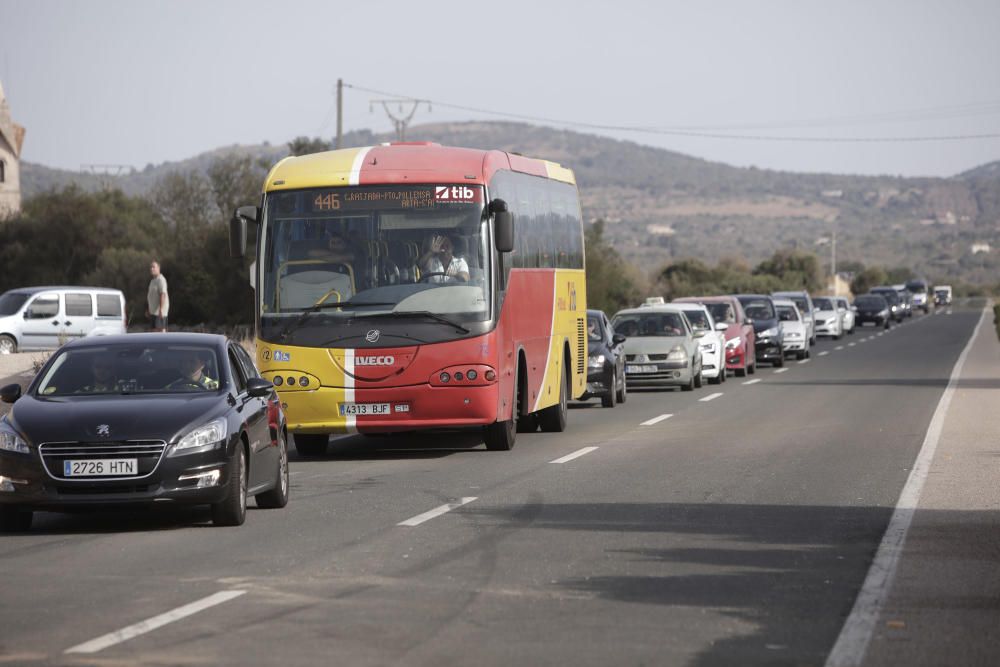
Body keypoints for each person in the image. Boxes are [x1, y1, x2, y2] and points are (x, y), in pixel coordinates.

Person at [146, 260, 169, 332]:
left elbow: (163, 294)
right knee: (153, 333)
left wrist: (161, 309)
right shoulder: (153, 281)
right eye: (151, 267)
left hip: (159, 312)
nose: (151, 269)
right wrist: (149, 309)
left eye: (153, 267)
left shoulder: (161, 280)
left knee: (161, 333)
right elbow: (151, 296)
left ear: (158, 268)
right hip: (153, 312)